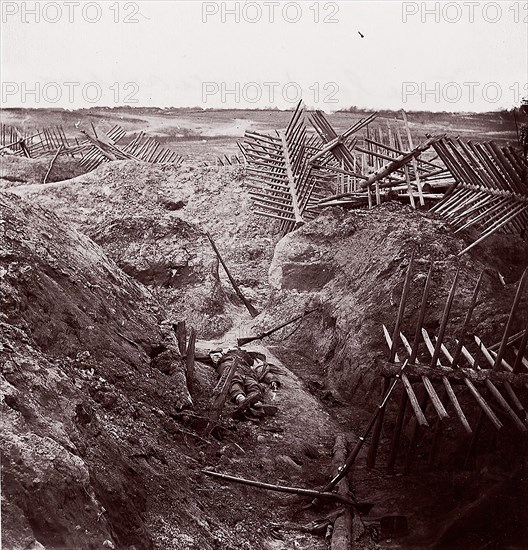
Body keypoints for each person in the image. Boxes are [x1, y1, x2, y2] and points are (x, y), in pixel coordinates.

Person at [210, 347, 280, 419]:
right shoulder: (224, 357)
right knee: (234, 379)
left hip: (246, 369)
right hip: (229, 365)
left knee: (253, 383)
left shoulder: (246, 357)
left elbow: (261, 368)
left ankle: (256, 402)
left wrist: (272, 379)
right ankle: (241, 399)